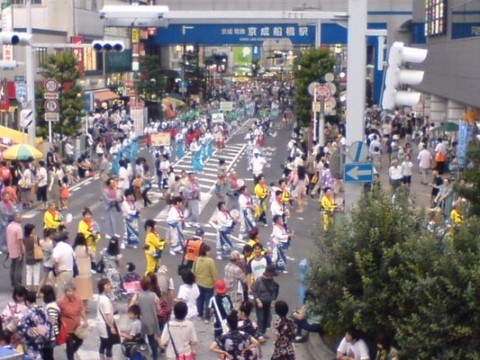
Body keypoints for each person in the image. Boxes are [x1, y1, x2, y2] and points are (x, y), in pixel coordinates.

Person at [129, 276, 161, 360]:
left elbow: (131, 305)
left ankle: (141, 355)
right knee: (152, 340)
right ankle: (155, 356)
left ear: (140, 285)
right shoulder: (154, 295)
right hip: (152, 320)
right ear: (149, 285)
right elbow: (158, 308)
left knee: (140, 339)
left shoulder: (138, 295)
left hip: (142, 321)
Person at [16, 291, 53, 360]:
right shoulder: (43, 310)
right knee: (40, 354)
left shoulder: (28, 314)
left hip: (31, 341)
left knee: (32, 356)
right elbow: (49, 324)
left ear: (26, 301)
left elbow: (21, 328)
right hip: (43, 340)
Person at [57, 282, 87, 360]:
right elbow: (57, 312)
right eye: (68, 291)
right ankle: (70, 356)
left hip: (76, 327)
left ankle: (69, 352)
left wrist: (85, 320)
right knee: (69, 344)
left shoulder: (78, 299)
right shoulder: (61, 302)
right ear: (65, 292)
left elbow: (81, 309)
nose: (70, 293)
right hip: (66, 327)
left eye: (71, 291)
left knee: (79, 341)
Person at [192, 243, 217, 324]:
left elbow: (193, 271)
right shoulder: (210, 261)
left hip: (199, 283)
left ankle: (199, 314)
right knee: (209, 301)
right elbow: (213, 274)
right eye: (209, 251)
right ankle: (207, 317)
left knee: (200, 299)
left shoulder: (196, 260)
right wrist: (215, 282)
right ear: (206, 251)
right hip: (209, 284)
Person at [252, 264, 279, 336]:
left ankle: (263, 333)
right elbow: (254, 291)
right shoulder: (259, 280)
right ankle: (259, 333)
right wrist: (258, 301)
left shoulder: (272, 282)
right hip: (260, 302)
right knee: (260, 318)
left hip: (268, 303)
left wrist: (273, 301)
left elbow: (273, 291)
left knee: (267, 319)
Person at [96, 278, 119, 360]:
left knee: (103, 344)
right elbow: (108, 315)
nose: (110, 287)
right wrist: (112, 327)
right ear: (105, 286)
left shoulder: (100, 297)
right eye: (109, 285)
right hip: (106, 325)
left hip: (101, 324)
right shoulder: (105, 300)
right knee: (109, 345)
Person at [72, 233, 94, 310]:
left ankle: (77, 306)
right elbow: (93, 257)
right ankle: (85, 307)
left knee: (77, 290)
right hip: (86, 272)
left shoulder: (74, 248)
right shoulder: (87, 248)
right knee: (86, 290)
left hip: (77, 272)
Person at [52, 231, 75, 298]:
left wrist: (56, 270)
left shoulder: (57, 248)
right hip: (70, 271)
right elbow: (74, 256)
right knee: (69, 291)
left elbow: (56, 260)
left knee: (61, 293)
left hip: (62, 272)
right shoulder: (68, 246)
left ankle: (61, 307)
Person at [100, 236, 124, 302]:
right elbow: (121, 265)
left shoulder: (104, 251)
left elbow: (102, 259)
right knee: (114, 290)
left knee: (105, 289)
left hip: (106, 273)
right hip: (114, 274)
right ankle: (114, 308)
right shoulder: (118, 254)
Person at [77, 207, 101, 272]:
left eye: (89, 215)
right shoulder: (81, 223)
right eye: (86, 215)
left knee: (92, 256)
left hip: (92, 243)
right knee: (85, 256)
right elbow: (82, 231)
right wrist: (91, 233)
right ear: (83, 216)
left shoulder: (94, 223)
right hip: (84, 242)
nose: (88, 216)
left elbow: (98, 232)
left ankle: (93, 267)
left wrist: (96, 237)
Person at [40, 285, 59, 360]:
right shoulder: (48, 304)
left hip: (49, 336)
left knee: (48, 356)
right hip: (47, 335)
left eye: (42, 293)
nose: (41, 295)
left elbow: (52, 321)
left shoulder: (51, 306)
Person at [23, 223, 42, 292]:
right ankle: (36, 288)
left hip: (28, 257)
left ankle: (29, 287)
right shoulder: (35, 238)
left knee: (29, 273)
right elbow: (39, 245)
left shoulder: (24, 238)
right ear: (31, 230)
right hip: (36, 257)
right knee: (36, 272)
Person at [6, 212, 24, 288]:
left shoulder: (9, 226)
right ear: (15, 218)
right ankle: (18, 284)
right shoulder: (18, 228)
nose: (21, 217)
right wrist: (20, 252)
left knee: (12, 267)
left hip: (11, 250)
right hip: (17, 251)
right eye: (19, 216)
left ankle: (13, 284)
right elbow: (19, 241)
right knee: (18, 268)